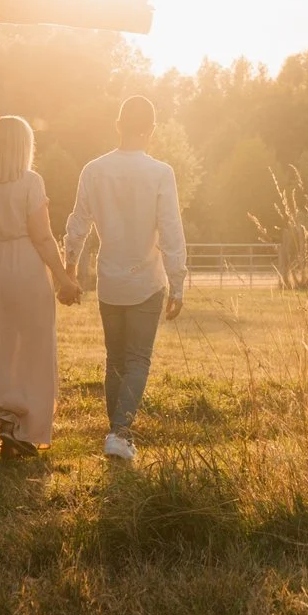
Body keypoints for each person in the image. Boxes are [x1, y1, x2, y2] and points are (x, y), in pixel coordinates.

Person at [62, 95, 187, 461]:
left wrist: (70, 269)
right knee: (137, 360)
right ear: (152, 130)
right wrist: (178, 283)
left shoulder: (93, 170)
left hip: (110, 282)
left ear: (118, 125)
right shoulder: (161, 173)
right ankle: (119, 433)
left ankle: (117, 434)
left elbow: (78, 224)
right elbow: (171, 231)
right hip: (147, 281)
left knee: (115, 359)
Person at [0, 114, 80, 459]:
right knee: (31, 347)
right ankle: (22, 428)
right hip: (26, 266)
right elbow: (42, 237)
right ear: (25, 146)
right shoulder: (30, 182)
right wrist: (64, 278)